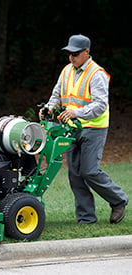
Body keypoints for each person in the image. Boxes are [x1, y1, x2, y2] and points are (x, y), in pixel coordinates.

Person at [39, 34, 128, 224]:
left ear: (86, 53)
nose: (71, 57)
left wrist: (76, 113)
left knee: (89, 171)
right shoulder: (66, 71)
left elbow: (100, 105)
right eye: (69, 53)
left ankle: (118, 200)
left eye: (75, 54)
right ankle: (86, 218)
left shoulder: (97, 74)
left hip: (93, 128)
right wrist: (49, 107)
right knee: (75, 174)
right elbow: (57, 95)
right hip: (71, 129)